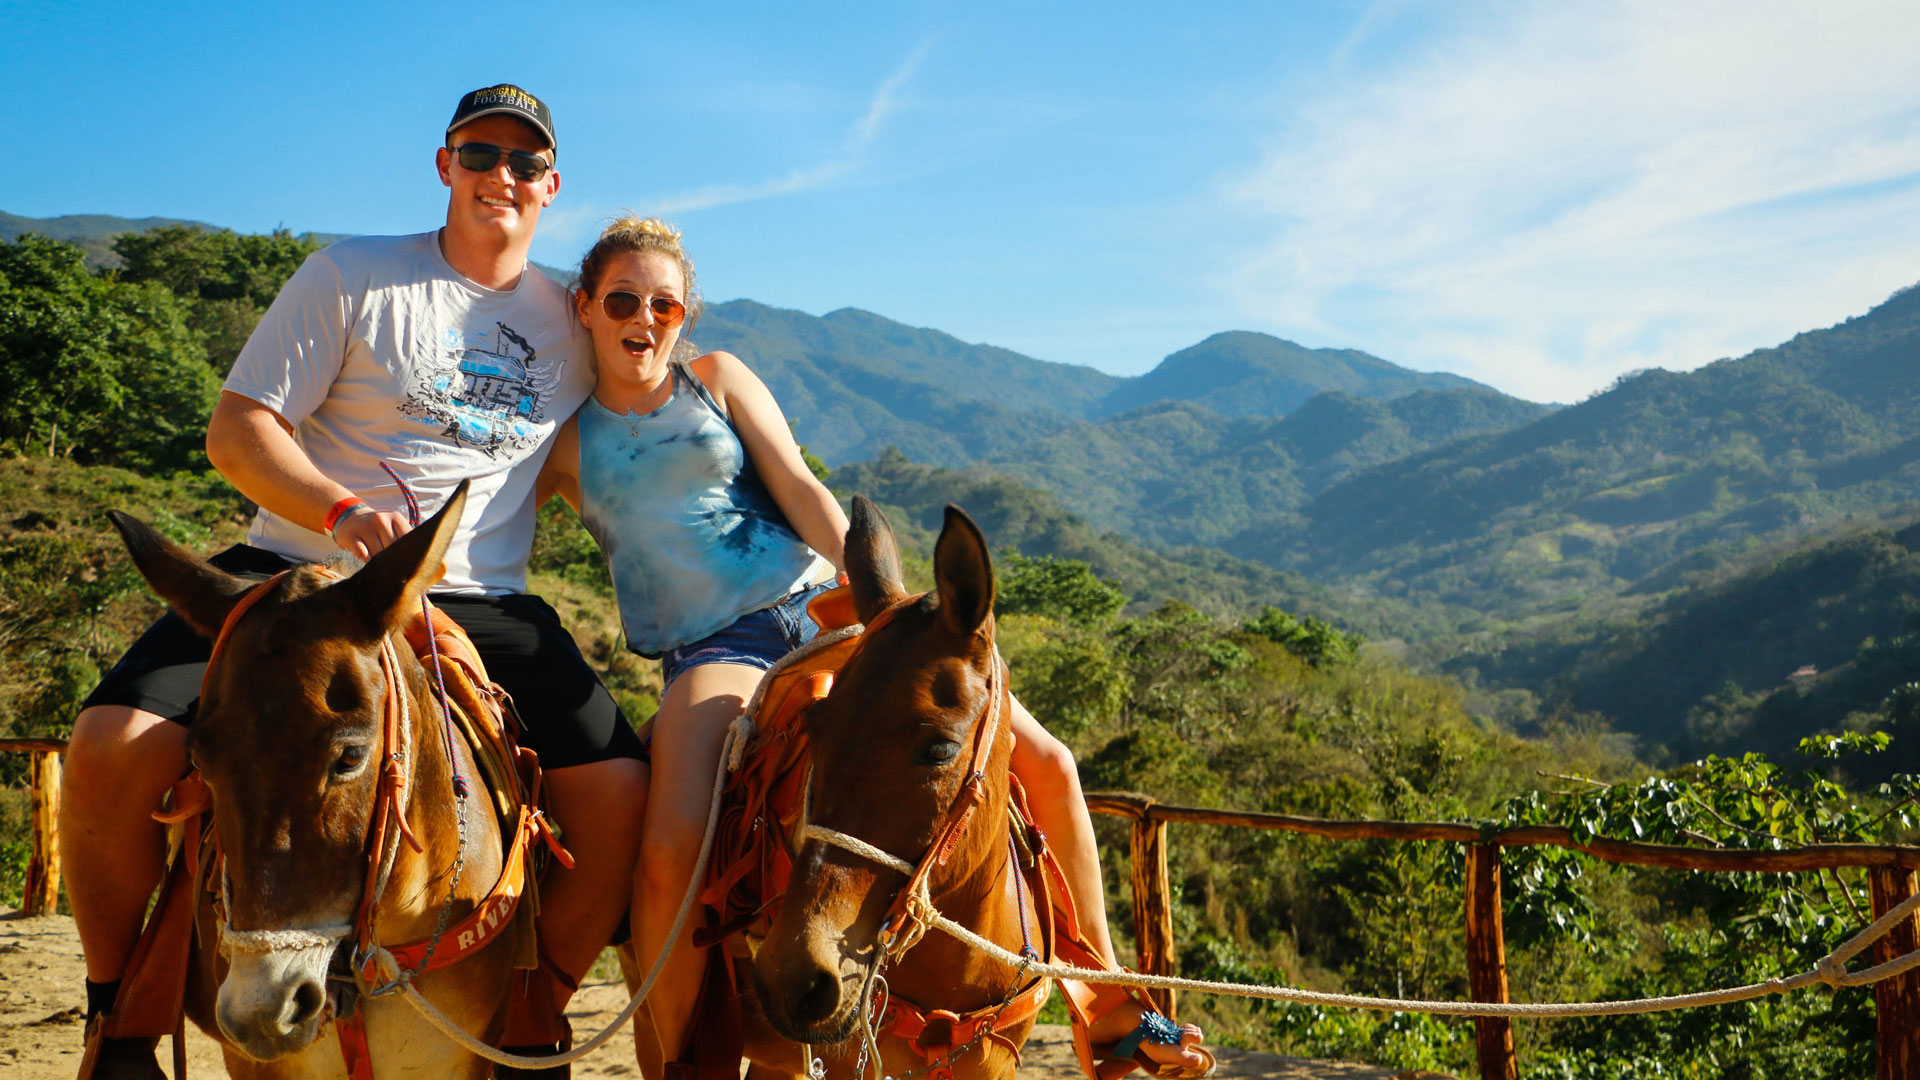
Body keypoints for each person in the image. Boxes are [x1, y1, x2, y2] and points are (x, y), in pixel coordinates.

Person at [63, 84, 646, 1077]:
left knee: (621, 791)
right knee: (112, 745)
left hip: (474, 594)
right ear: (444, 165)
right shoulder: (352, 277)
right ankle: (117, 1016)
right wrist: (337, 510)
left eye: (520, 162)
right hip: (299, 573)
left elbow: (655, 391)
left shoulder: (576, 319)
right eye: (478, 154)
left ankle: (535, 1002)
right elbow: (238, 428)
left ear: (551, 186)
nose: (498, 175)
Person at [539, 217, 1211, 1079]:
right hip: (714, 651)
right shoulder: (565, 445)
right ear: (585, 307)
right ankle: (681, 1064)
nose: (645, 317)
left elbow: (800, 487)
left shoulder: (718, 381)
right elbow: (489, 529)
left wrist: (881, 605)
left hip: (824, 605)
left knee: (1049, 761)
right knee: (670, 848)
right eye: (624, 299)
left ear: (684, 315)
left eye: (665, 303)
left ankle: (1114, 1012)